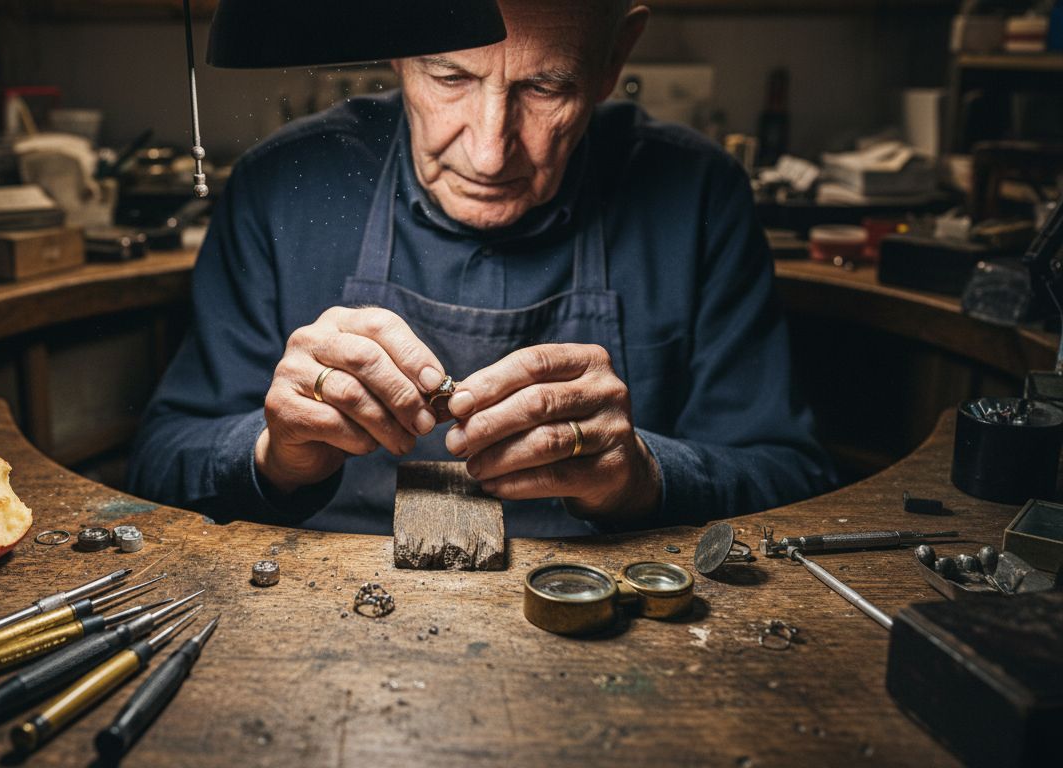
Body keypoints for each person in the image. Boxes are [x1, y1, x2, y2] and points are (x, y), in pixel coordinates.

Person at [126, 0, 836, 537]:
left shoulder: (699, 194)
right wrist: (270, 454)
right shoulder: (280, 186)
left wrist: (644, 473)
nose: (490, 152)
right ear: (398, 53)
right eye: (450, 76)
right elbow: (158, 463)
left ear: (616, 59)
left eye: (547, 88)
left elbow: (794, 477)